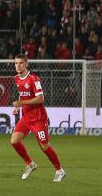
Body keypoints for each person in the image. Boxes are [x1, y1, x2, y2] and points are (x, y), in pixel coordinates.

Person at [11, 54, 66, 182]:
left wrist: (22, 103)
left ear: (26, 64)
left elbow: (40, 99)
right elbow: (22, 96)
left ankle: (59, 170)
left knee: (44, 146)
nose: (18, 66)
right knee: (14, 140)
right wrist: (18, 107)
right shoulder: (16, 79)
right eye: (16, 63)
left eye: (20, 63)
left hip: (38, 119)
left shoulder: (33, 79)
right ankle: (30, 164)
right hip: (26, 118)